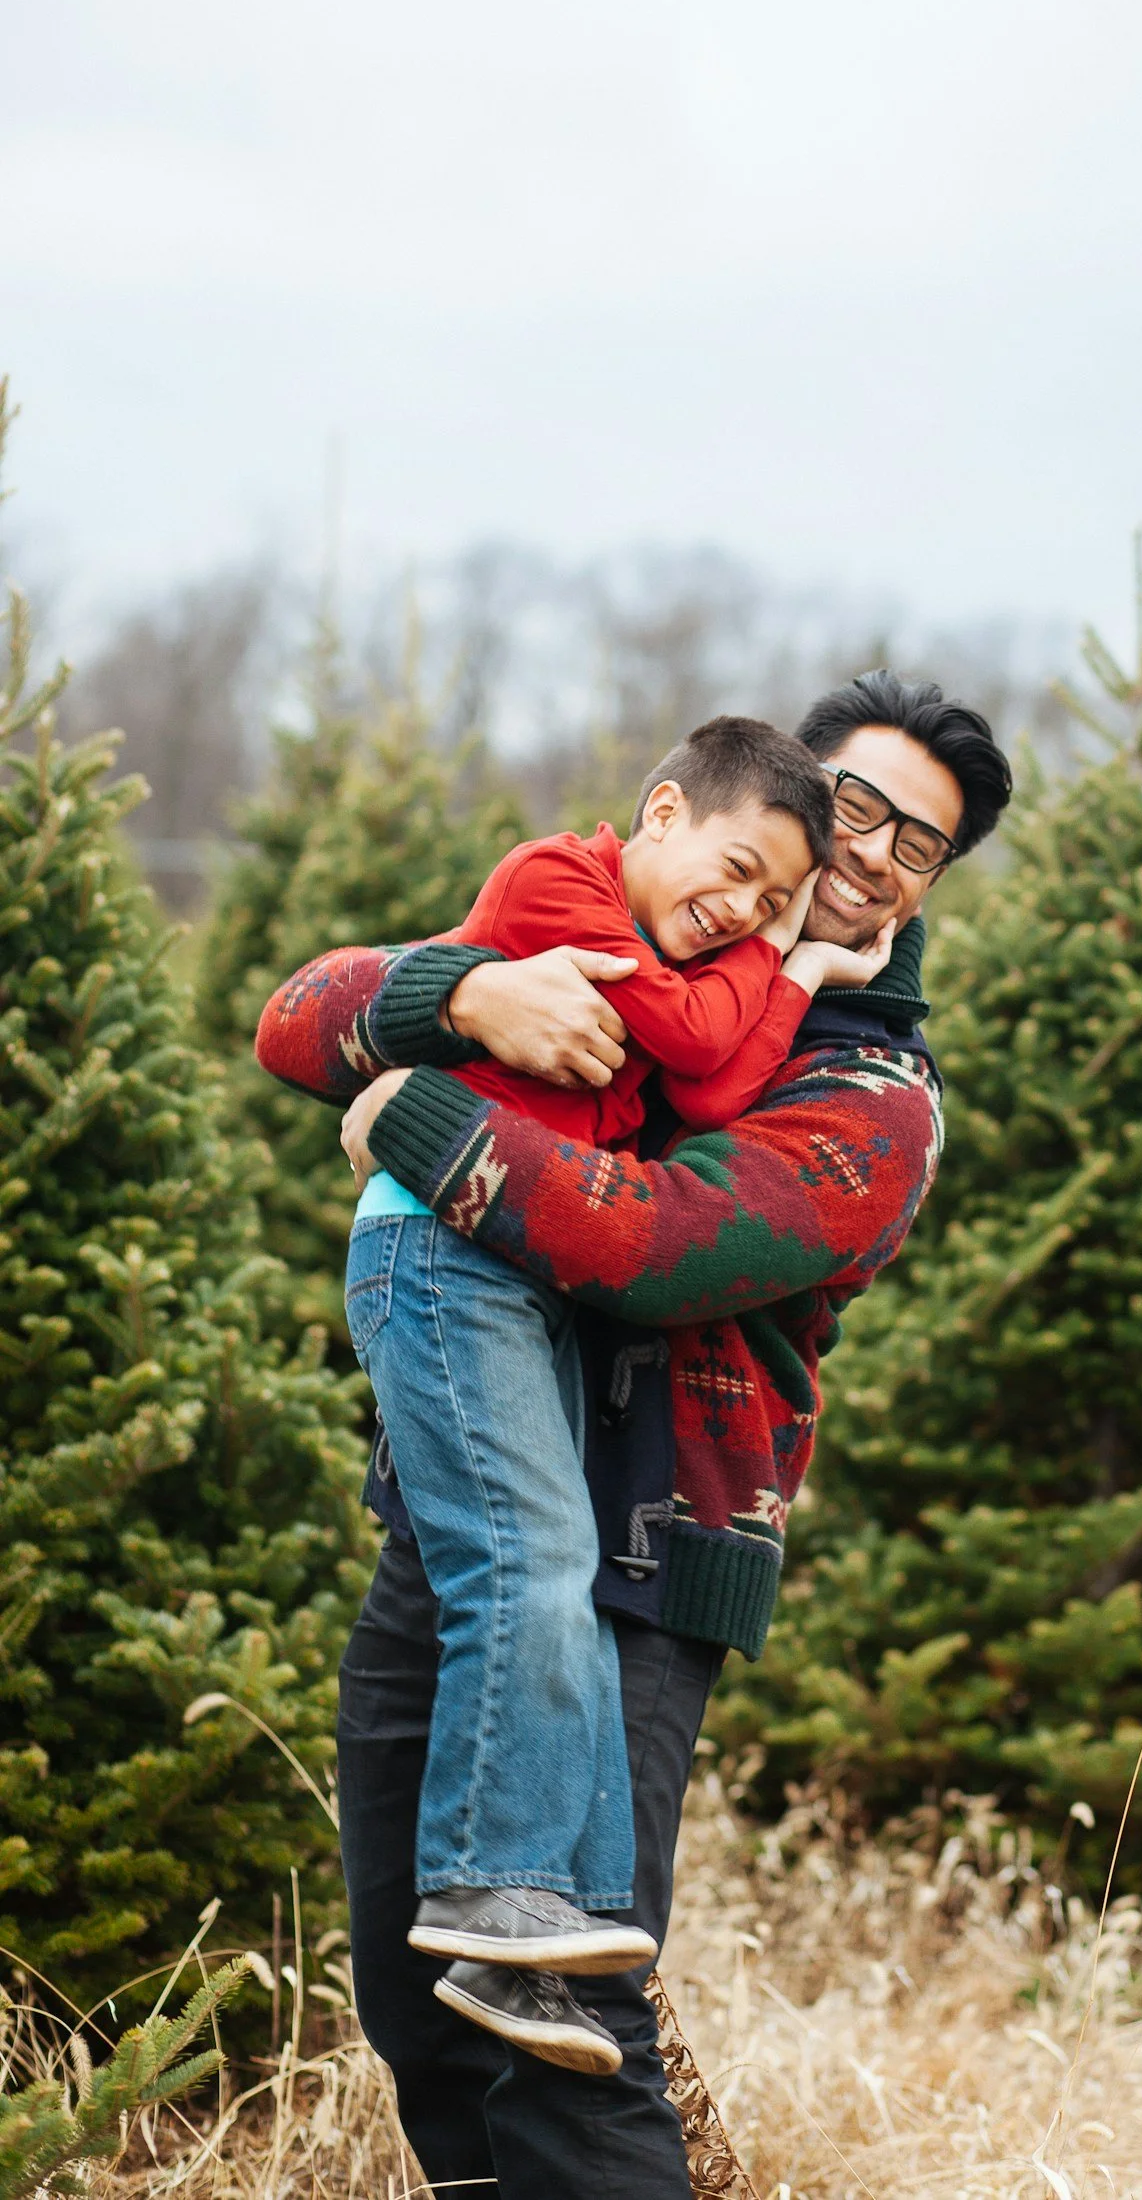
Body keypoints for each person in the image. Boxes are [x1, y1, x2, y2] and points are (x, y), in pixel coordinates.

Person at [254, 671, 1014, 2199]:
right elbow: (300, 1009)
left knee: (565, 2030)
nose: (870, 854)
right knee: (418, 1993)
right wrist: (461, 999)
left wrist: (414, 1109)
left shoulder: (872, 1089)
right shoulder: (633, 927)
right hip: (458, 1535)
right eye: (848, 806)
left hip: (640, 1566)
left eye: (914, 845)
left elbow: (660, 1240)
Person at [324, 717, 890, 2072]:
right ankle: (488, 1893)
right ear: (659, 811)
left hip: (513, 1277)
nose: (744, 907)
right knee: (524, 1556)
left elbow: (719, 1080)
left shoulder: (867, 1087)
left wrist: (777, 965)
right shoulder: (553, 883)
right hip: (442, 1249)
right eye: (739, 868)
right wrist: (790, 957)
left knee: (547, 1562)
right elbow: (698, 1040)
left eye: (774, 894)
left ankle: (544, 1919)